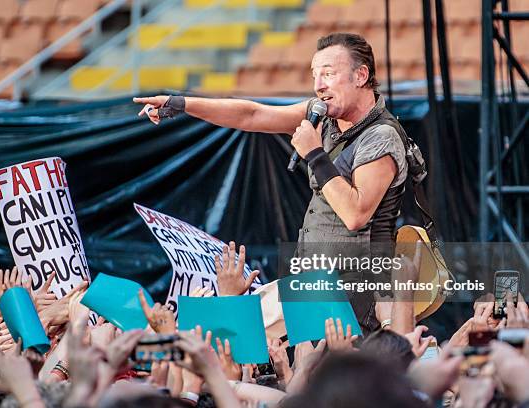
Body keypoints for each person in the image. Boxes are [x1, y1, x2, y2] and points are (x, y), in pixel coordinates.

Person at [134, 32, 409, 333]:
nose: (319, 85)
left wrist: (315, 154)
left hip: (350, 290)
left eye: (328, 74)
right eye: (315, 75)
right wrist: (183, 103)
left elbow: (356, 214)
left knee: (227, 331)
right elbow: (251, 115)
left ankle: (157, 353)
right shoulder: (324, 118)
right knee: (235, 334)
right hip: (316, 280)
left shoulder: (380, 137)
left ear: (361, 75)